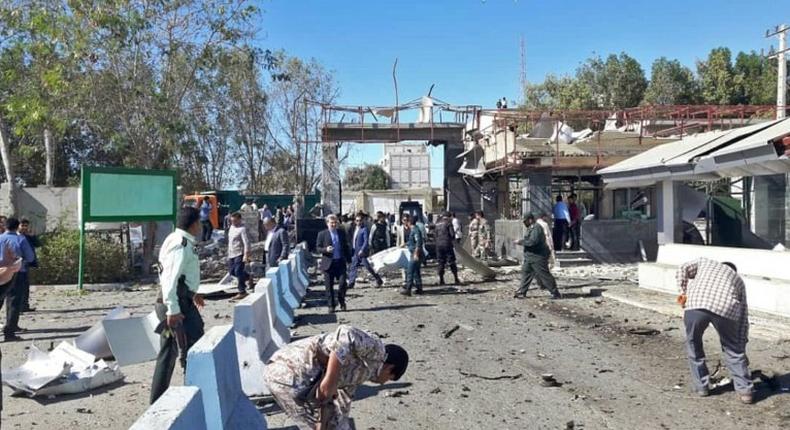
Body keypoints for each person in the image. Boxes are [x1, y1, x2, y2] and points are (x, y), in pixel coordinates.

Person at [264, 324, 408, 429]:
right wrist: (330, 379)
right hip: (288, 369)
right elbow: (346, 332)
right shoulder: (377, 349)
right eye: (389, 378)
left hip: (294, 382)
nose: (383, 383)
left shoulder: (361, 374)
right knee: (312, 426)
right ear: (390, 368)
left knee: (327, 425)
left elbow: (341, 406)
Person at [677, 259, 753, 404]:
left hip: (696, 304)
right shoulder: (738, 280)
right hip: (727, 309)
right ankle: (746, 392)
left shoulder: (705, 262)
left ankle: (702, 387)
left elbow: (682, 268)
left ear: (721, 264)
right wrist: (741, 343)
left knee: (693, 343)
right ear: (733, 271)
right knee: (732, 349)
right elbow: (743, 315)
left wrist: (683, 292)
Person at [150, 207, 205, 404]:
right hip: (176, 306)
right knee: (194, 349)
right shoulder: (180, 244)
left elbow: (181, 276)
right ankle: (194, 397)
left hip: (181, 301)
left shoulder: (178, 239)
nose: (201, 225)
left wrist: (193, 294)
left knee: (169, 352)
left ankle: (158, 401)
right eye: (199, 221)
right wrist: (173, 310)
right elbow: (169, 280)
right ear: (194, 224)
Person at [0, 218, 35, 341]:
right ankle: (9, 333)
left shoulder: (0, 238)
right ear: (17, 227)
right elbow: (30, 257)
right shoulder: (20, 239)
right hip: (16, 273)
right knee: (14, 303)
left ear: (6, 226)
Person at [513, 213, 561, 300]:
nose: (524, 223)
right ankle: (522, 291)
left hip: (538, 256)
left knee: (544, 274)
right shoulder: (531, 228)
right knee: (526, 273)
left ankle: (555, 292)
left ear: (530, 220)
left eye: (525, 221)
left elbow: (532, 242)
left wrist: (520, 242)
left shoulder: (537, 228)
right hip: (530, 257)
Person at [316, 215, 351, 313]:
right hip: (328, 263)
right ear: (327, 223)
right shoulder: (322, 234)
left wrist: (349, 260)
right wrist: (325, 250)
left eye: (335, 222)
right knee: (329, 286)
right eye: (331, 223)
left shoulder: (341, 233)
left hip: (340, 262)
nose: (334, 224)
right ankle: (331, 305)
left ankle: (341, 301)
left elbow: (345, 247)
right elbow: (317, 248)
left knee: (342, 284)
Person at [348, 214, 383, 290]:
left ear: (362, 221)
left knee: (368, 267)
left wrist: (362, 249)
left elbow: (365, 241)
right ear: (355, 221)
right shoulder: (354, 229)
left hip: (362, 252)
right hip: (355, 251)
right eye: (357, 220)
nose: (358, 222)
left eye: (360, 220)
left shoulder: (364, 229)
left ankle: (378, 279)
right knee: (353, 267)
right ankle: (351, 282)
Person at [227, 212, 252, 301]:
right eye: (232, 221)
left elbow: (246, 242)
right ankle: (248, 276)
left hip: (239, 253)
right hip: (231, 253)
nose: (233, 222)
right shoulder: (231, 228)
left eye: (235, 221)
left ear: (239, 220)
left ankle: (242, 291)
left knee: (238, 271)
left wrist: (246, 254)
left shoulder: (242, 229)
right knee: (232, 272)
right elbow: (230, 241)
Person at [18, 219, 40, 312]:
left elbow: (38, 244)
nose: (24, 228)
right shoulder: (15, 236)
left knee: (25, 285)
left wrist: (32, 236)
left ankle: (24, 306)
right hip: (16, 264)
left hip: (25, 264)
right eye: (22, 225)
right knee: (17, 287)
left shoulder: (27, 236)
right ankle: (18, 307)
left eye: (26, 226)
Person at [400, 214, 424, 296]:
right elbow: (412, 241)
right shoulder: (413, 230)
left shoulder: (415, 230)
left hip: (415, 253)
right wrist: (406, 244)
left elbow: (418, 243)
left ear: (410, 222)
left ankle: (408, 289)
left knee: (410, 271)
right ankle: (419, 288)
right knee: (416, 272)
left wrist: (416, 254)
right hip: (413, 252)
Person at [435, 212, 460, 286]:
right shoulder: (448, 223)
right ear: (449, 217)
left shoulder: (437, 224)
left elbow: (435, 235)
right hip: (447, 244)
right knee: (451, 261)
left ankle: (441, 280)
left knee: (440, 262)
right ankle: (456, 278)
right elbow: (452, 234)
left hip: (438, 245)